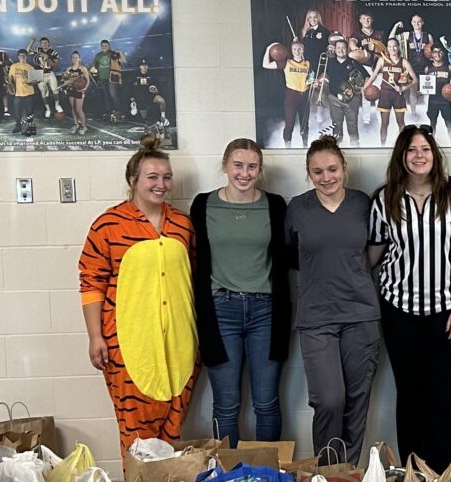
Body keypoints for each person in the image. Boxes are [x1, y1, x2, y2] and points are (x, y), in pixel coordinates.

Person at [369, 126, 451, 468]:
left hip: (445, 310)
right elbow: (372, 255)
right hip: (398, 309)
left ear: (434, 154)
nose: (418, 156)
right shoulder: (385, 197)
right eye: (411, 150)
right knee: (408, 394)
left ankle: (446, 473)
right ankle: (413, 476)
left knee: (441, 394)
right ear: (401, 157)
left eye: (425, 149)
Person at [79, 135, 197, 451]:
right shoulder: (107, 225)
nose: (161, 184)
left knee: (173, 431)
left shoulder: (183, 224)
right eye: (152, 177)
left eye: (167, 177)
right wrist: (95, 337)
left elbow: (192, 278)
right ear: (133, 180)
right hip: (129, 346)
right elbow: (91, 283)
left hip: (180, 345)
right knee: (137, 437)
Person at [190, 139, 290, 445]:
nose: (244, 173)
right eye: (238, 165)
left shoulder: (275, 205)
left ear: (260, 170)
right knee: (226, 404)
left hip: (266, 311)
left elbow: (288, 255)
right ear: (224, 166)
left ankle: (269, 480)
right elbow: (195, 260)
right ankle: (231, 479)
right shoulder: (203, 204)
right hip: (221, 311)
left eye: (251, 166)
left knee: (266, 402)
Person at [286, 135, 380, 458]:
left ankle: (350, 479)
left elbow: (374, 250)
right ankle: (328, 477)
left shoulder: (362, 204)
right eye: (317, 171)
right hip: (316, 318)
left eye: (332, 169)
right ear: (308, 173)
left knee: (357, 401)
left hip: (361, 316)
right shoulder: (298, 207)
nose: (326, 177)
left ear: (344, 168)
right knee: (329, 400)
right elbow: (289, 253)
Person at [322, 36, 366, 144]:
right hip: (334, 98)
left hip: (351, 99)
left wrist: (362, 89)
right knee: (336, 124)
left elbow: (366, 76)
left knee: (352, 124)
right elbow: (324, 75)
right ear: (335, 50)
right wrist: (321, 80)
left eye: (343, 48)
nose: (341, 50)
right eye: (338, 48)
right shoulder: (330, 62)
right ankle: (337, 148)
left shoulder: (354, 62)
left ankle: (355, 146)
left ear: (347, 49)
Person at [419, 44, 451, 140]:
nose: (438, 54)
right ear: (431, 54)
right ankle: (432, 144)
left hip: (445, 101)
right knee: (432, 126)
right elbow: (425, 85)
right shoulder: (428, 69)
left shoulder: (449, 68)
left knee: (449, 125)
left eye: (440, 51)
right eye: (435, 52)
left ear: (443, 53)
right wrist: (421, 91)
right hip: (433, 101)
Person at [62, 50, 92, 135]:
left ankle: (84, 126)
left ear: (79, 58)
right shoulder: (69, 69)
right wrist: (66, 82)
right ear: (71, 59)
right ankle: (76, 124)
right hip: (71, 90)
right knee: (73, 108)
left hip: (79, 90)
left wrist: (84, 89)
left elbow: (88, 80)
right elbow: (66, 80)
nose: (75, 59)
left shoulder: (82, 68)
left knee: (79, 109)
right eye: (73, 57)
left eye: (76, 57)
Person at [8, 49, 37, 137]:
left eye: (24, 55)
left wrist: (31, 82)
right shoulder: (14, 66)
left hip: (29, 92)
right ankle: (18, 126)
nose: (22, 57)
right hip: (18, 93)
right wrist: (11, 88)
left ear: (26, 56)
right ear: (18, 57)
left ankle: (30, 128)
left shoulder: (31, 67)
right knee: (17, 112)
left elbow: (35, 82)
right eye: (21, 55)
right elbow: (10, 79)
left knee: (29, 112)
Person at [33, 36, 63, 121]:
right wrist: (31, 42)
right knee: (43, 93)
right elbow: (27, 52)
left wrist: (48, 59)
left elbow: (56, 65)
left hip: (49, 72)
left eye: (46, 43)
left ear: (48, 43)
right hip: (39, 73)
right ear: (40, 44)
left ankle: (57, 105)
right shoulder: (37, 50)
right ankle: (48, 109)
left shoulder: (53, 52)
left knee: (55, 90)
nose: (44, 44)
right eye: (42, 43)